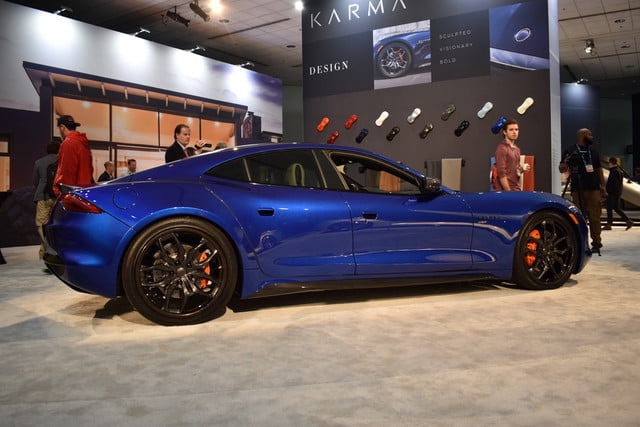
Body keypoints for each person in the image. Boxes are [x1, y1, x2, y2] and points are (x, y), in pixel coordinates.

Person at [559, 128, 606, 252]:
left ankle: (596, 242)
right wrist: (566, 162)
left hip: (594, 187)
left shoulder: (593, 152)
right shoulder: (570, 150)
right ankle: (581, 243)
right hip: (577, 188)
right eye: (589, 134)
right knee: (580, 216)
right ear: (582, 135)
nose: (591, 136)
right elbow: (562, 169)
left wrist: (603, 185)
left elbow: (598, 169)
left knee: (595, 216)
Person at [53, 115, 93, 197]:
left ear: (62, 127)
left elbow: (67, 171)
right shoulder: (83, 143)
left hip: (72, 193)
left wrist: (61, 191)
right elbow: (90, 168)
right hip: (84, 191)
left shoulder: (68, 143)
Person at [32, 141, 60, 261]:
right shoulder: (62, 162)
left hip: (42, 196)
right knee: (57, 224)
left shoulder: (39, 162)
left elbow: (35, 181)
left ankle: (48, 248)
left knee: (41, 224)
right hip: (58, 197)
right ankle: (49, 250)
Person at [494, 119, 530, 191]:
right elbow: (501, 173)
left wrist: (522, 169)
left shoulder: (517, 149)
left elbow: (515, 169)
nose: (514, 132)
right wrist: (509, 192)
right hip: (505, 191)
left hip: (516, 188)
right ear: (505, 132)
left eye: (516, 129)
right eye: (511, 130)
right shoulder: (502, 148)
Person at [603, 157, 633, 230]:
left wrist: (608, 191)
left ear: (611, 163)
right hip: (617, 192)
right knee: (616, 208)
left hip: (612, 193)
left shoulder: (614, 171)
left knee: (609, 208)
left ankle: (609, 224)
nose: (608, 164)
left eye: (609, 163)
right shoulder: (619, 171)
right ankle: (628, 221)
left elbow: (613, 183)